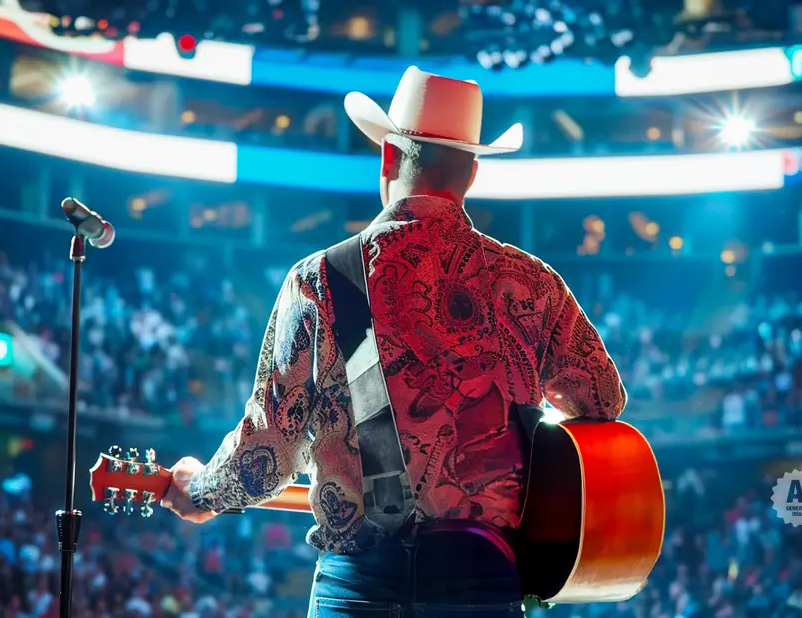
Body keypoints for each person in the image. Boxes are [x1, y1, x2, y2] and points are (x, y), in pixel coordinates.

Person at [160, 66, 627, 617]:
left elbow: (266, 455)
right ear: (472, 174)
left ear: (387, 158)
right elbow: (604, 399)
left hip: (358, 586)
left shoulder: (316, 281)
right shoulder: (532, 285)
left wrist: (200, 491)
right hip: (482, 583)